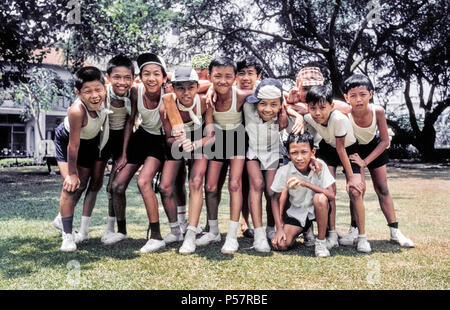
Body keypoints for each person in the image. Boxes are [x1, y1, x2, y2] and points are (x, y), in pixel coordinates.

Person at [108, 53, 175, 254]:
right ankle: (121, 231)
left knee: (144, 181)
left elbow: (204, 85)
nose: (151, 78)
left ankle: (156, 236)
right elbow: (130, 121)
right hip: (142, 136)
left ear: (164, 77)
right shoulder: (136, 91)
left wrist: (170, 81)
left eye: (156, 73)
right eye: (146, 73)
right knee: (117, 185)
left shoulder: (169, 94)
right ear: (140, 77)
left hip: (160, 141)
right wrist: (123, 154)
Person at [338, 74, 414, 247]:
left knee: (382, 188)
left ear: (370, 94)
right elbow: (326, 102)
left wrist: (366, 162)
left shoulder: (377, 111)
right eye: (353, 96)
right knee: (356, 190)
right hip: (354, 150)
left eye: (363, 94)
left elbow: (385, 141)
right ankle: (354, 231)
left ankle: (395, 232)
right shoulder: (344, 112)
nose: (358, 99)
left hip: (375, 148)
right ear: (346, 98)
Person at [73, 55, 138, 244]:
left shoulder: (132, 94)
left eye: (127, 77)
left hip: (122, 140)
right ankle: (81, 229)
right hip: (102, 139)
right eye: (117, 77)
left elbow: (130, 123)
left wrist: (124, 153)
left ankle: (111, 229)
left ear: (133, 79)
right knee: (93, 183)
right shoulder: (103, 92)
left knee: (114, 187)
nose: (122, 82)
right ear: (108, 77)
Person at [303, 85, 371, 253]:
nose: (317, 113)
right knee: (328, 190)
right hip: (328, 149)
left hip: (348, 148)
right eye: (313, 108)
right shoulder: (309, 117)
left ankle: (362, 237)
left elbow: (341, 150)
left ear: (331, 106)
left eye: (322, 107)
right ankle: (332, 235)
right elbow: (298, 111)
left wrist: (352, 177)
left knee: (355, 190)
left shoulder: (338, 119)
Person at [199, 56, 254, 254]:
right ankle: (213, 230)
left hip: (237, 138)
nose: (223, 81)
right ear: (209, 76)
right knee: (211, 186)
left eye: (228, 76)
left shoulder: (240, 95)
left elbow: (267, 90)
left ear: (235, 78)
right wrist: (210, 88)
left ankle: (232, 236)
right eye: (218, 76)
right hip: (217, 138)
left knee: (234, 184)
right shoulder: (207, 95)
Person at [158, 66, 214, 255]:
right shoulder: (166, 106)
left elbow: (211, 135)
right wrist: (178, 139)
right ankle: (176, 230)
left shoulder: (205, 102)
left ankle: (191, 233)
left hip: (199, 141)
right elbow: (168, 139)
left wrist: (196, 144)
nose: (186, 92)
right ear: (173, 89)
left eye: (190, 87)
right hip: (179, 143)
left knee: (196, 181)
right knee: (165, 186)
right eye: (180, 88)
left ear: (197, 87)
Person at [53, 66, 108, 252]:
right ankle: (67, 237)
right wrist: (71, 173)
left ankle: (61, 218)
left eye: (98, 89)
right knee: (71, 185)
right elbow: (72, 145)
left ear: (105, 87)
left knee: (83, 184)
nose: (95, 95)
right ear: (78, 93)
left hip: (88, 142)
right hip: (68, 142)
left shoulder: (105, 98)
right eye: (88, 91)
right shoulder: (77, 110)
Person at [270, 132, 335, 257]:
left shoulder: (320, 166)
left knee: (320, 198)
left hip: (319, 209)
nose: (299, 157)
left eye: (304, 152)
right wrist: (279, 228)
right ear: (288, 154)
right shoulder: (284, 171)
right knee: (281, 244)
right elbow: (274, 199)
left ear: (313, 152)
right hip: (297, 212)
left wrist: (305, 183)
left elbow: (331, 195)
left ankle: (321, 243)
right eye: (294, 153)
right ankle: (305, 229)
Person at [244, 78, 288, 252]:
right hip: (253, 152)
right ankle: (259, 234)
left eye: (273, 105)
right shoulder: (248, 107)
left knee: (271, 191)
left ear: (280, 105)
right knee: (257, 184)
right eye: (263, 103)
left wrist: (286, 111)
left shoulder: (282, 114)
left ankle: (271, 227)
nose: (267, 109)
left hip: (273, 152)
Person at [235, 56, 263, 239]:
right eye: (242, 73)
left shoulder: (265, 92)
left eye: (250, 73)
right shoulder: (230, 91)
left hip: (259, 142)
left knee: (259, 183)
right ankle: (245, 223)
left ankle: (264, 223)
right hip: (236, 139)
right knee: (241, 184)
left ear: (258, 76)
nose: (245, 77)